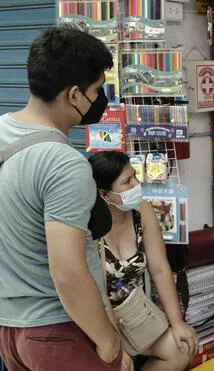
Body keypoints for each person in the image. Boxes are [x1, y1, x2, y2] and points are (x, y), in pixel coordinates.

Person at [0, 26, 133, 370]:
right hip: (59, 332)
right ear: (74, 94)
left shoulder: (2, 132)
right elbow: (68, 272)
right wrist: (108, 341)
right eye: (96, 90)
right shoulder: (63, 163)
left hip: (11, 331)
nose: (99, 100)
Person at [89, 151, 198, 370]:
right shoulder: (89, 226)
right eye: (127, 182)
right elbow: (97, 295)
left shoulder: (142, 210)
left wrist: (177, 323)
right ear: (104, 193)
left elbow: (159, 269)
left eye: (135, 177)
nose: (136, 185)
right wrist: (116, 346)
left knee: (183, 348)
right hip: (101, 322)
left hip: (138, 317)